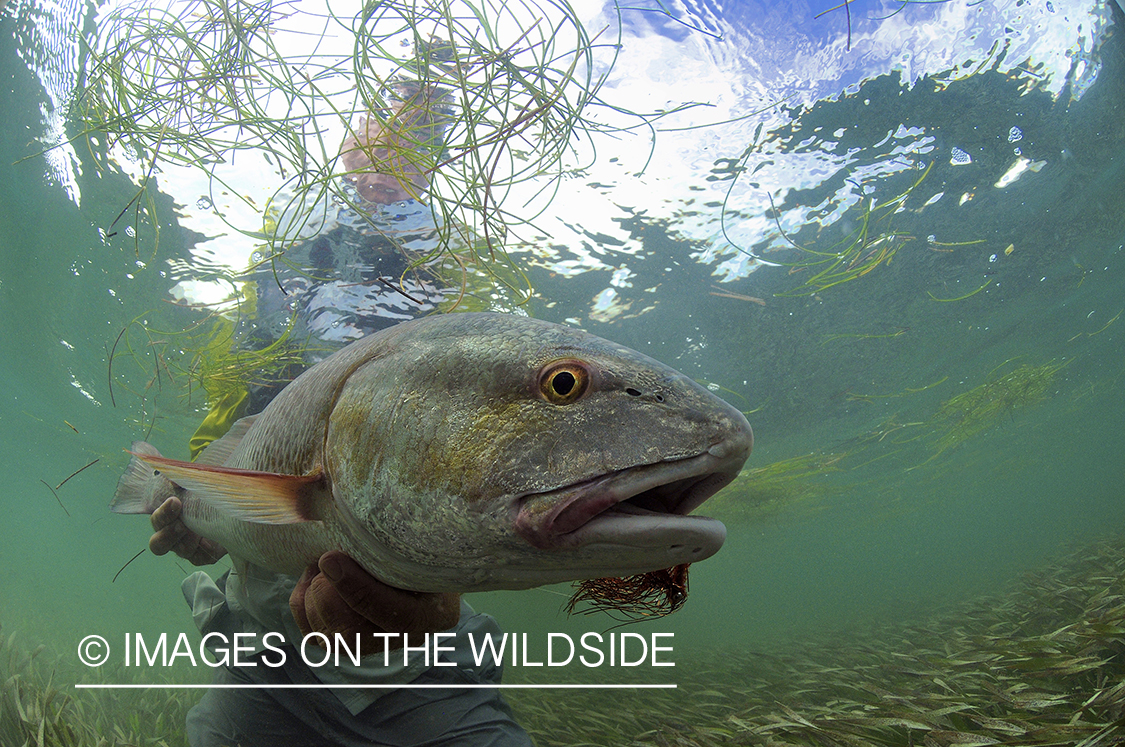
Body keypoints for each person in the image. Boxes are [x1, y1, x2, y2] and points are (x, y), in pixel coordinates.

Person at [149, 496, 533, 747]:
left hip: (415, 673)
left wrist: (439, 597)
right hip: (267, 661)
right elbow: (218, 491)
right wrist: (213, 526)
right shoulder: (227, 408)